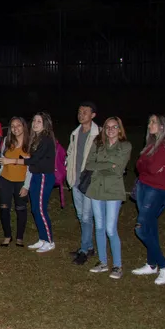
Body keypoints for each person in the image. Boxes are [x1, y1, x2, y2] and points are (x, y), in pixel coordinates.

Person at [131, 114, 165, 286]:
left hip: (156, 190)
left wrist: (145, 164)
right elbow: (138, 165)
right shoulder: (152, 144)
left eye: (153, 122)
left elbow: (150, 167)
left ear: (163, 126)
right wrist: (145, 164)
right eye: (149, 122)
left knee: (141, 229)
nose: (150, 125)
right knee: (150, 226)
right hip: (143, 187)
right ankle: (151, 265)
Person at [0, 112, 56, 253]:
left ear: (45, 124)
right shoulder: (36, 138)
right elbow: (32, 158)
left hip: (43, 176)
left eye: (39, 121)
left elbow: (32, 160)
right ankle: (42, 239)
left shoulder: (46, 139)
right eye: (34, 121)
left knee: (40, 210)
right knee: (35, 209)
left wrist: (12, 161)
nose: (35, 124)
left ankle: (49, 241)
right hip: (36, 175)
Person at [86, 117, 132, 279]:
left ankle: (117, 266)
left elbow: (119, 170)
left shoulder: (125, 146)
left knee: (110, 229)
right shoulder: (98, 144)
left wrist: (103, 166)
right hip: (96, 189)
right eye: (108, 127)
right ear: (104, 129)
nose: (111, 130)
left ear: (120, 129)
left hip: (113, 190)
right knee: (99, 227)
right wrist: (109, 164)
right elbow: (89, 165)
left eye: (114, 127)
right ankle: (103, 262)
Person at [67, 102, 100, 265]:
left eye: (85, 112)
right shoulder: (75, 133)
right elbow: (71, 152)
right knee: (81, 216)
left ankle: (84, 251)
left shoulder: (98, 135)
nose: (81, 114)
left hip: (90, 182)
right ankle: (90, 246)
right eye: (79, 112)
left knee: (87, 217)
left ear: (93, 115)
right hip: (76, 180)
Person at [0, 117, 31, 247]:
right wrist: (0, 174)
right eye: (12, 126)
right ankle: (7, 235)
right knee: (4, 208)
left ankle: (19, 237)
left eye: (18, 125)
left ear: (24, 127)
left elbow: (31, 168)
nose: (15, 128)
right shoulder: (7, 141)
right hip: (5, 179)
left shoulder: (29, 144)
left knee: (20, 208)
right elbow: (2, 159)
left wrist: (26, 185)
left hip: (21, 181)